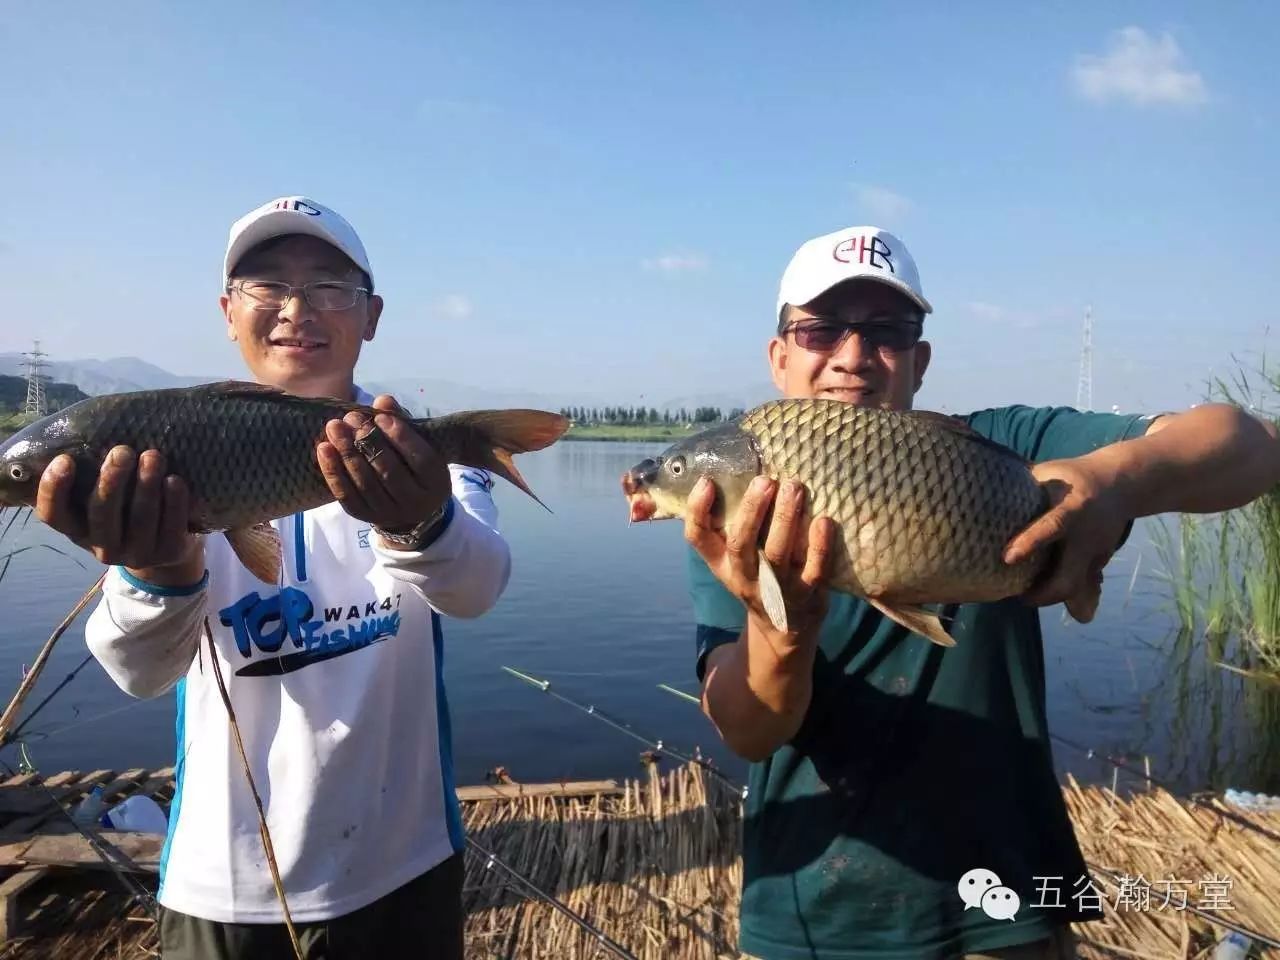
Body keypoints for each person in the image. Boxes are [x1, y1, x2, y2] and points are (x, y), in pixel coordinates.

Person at [659, 226, 1280, 959]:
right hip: (812, 916)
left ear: (920, 360)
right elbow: (749, 731)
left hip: (1007, 900)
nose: (853, 356)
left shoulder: (1010, 448)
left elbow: (1254, 446)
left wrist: (1116, 482)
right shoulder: (732, 517)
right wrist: (780, 629)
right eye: (822, 329)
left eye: (887, 331)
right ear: (780, 356)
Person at [35, 196, 511, 958]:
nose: (297, 310)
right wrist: (161, 565)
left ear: (372, 314)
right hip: (220, 887)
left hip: (406, 863)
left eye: (329, 286)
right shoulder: (170, 453)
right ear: (229, 312)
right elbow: (139, 671)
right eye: (267, 287)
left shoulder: (419, 454)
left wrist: (418, 519)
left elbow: (476, 588)